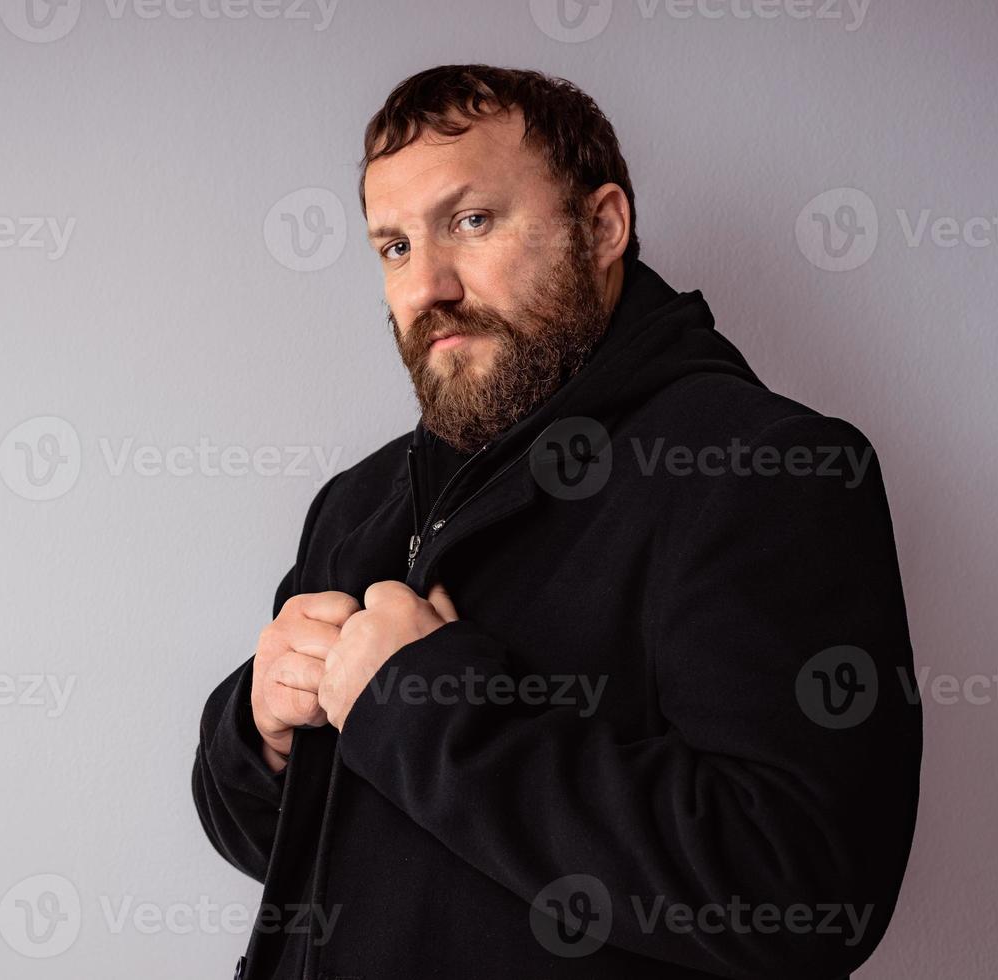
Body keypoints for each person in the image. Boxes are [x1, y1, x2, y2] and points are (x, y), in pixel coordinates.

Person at [192, 63, 922, 980]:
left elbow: (800, 891)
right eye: (393, 248)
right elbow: (317, 862)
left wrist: (429, 712)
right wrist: (254, 733)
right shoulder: (356, 504)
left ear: (602, 226)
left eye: (471, 222)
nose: (428, 287)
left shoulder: (764, 469)